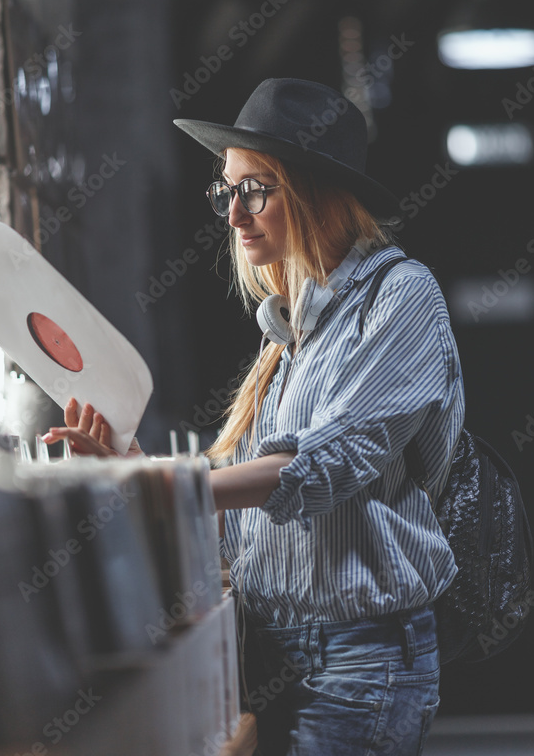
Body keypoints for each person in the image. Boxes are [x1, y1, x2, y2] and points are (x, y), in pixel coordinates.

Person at [45, 77, 465, 756]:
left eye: (255, 189)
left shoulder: (401, 296)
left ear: (316, 193)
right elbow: (243, 494)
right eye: (226, 190)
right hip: (271, 656)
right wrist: (135, 470)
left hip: (362, 664)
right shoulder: (286, 328)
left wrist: (160, 488)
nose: (233, 214)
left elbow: (327, 460)